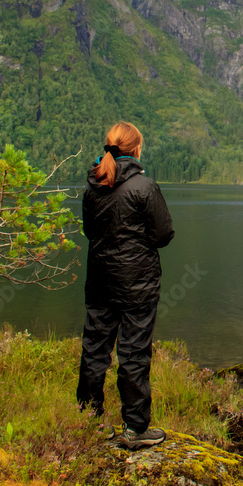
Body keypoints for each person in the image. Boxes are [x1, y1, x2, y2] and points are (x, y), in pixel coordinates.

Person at [76, 121, 174, 449]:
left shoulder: (92, 188)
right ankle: (134, 430)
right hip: (137, 284)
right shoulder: (145, 187)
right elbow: (163, 236)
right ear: (136, 149)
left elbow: (91, 233)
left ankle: (88, 421)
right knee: (133, 353)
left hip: (100, 280)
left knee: (94, 349)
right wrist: (137, 243)